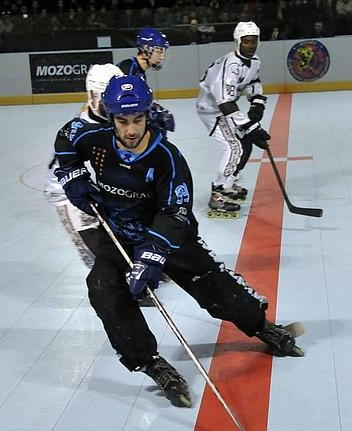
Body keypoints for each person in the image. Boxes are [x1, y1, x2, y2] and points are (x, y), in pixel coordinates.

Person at [53, 75, 304, 409]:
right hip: (122, 235)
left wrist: (152, 255)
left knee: (213, 286)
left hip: (169, 238)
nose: (130, 130)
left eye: (137, 120)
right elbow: (66, 139)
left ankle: (261, 327)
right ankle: (148, 361)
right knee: (102, 287)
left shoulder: (166, 157)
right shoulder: (95, 139)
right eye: (122, 121)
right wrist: (73, 176)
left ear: (147, 115)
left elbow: (176, 210)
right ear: (110, 117)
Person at [44, 63, 123, 268]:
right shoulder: (79, 130)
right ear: (93, 95)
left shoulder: (110, 119)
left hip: (96, 188)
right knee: (97, 252)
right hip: (67, 193)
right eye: (106, 98)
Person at [196, 21, 270, 218]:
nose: (251, 45)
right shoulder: (231, 65)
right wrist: (251, 126)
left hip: (226, 108)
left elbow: (253, 81)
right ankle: (217, 195)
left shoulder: (254, 61)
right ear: (238, 42)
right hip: (212, 109)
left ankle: (228, 185)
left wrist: (256, 102)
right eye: (246, 42)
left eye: (254, 41)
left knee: (246, 144)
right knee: (234, 147)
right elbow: (225, 103)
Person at [117, 27, 175, 138]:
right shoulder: (129, 69)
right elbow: (125, 106)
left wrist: (153, 107)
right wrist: (153, 114)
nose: (162, 57)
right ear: (145, 49)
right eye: (158, 51)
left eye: (163, 52)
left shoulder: (136, 69)